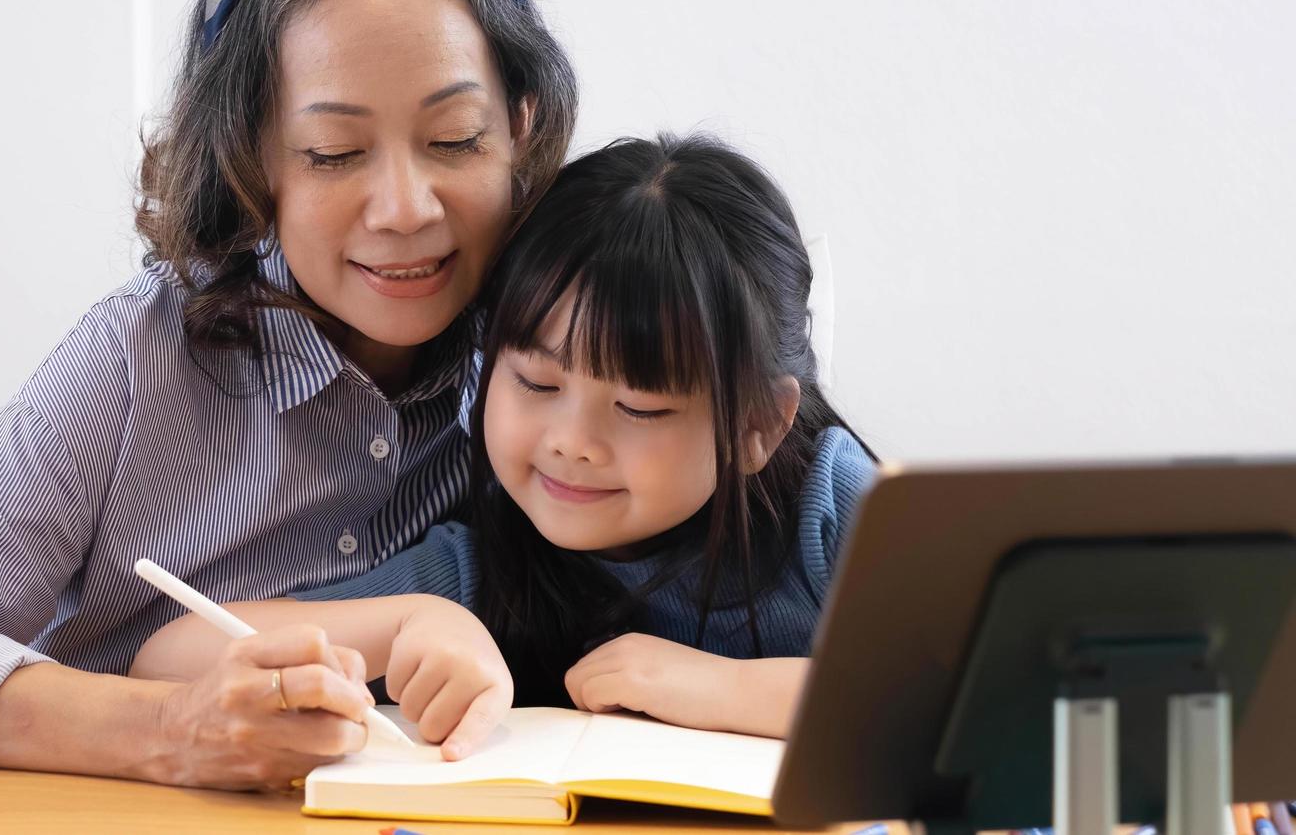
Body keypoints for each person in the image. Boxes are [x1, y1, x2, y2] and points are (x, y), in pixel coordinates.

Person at [0, 0, 578, 791]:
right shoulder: (139, 359)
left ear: (520, 130)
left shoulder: (551, 357)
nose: (406, 210)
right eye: (333, 153)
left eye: (455, 139)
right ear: (251, 159)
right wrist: (172, 731)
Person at [131, 134, 876, 759]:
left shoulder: (834, 506)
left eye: (639, 407)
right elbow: (167, 663)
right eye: (537, 384)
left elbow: (979, 690)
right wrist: (407, 623)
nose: (573, 444)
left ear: (759, 426)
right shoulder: (487, 565)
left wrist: (724, 689)